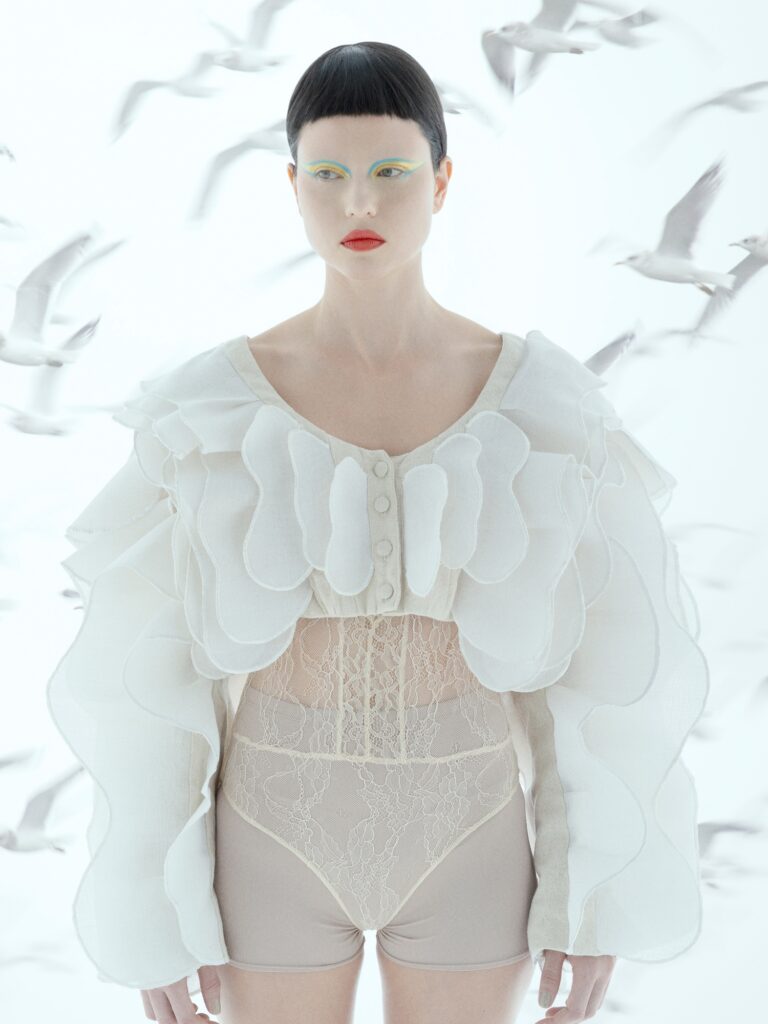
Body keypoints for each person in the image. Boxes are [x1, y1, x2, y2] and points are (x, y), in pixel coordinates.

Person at [46, 41, 710, 1024]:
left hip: (474, 835)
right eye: (329, 175)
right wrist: (154, 908)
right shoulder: (208, 409)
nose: (359, 202)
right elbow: (144, 675)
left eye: (391, 171)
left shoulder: (544, 405)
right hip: (270, 833)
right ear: (292, 186)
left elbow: (601, 674)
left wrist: (595, 893)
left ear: (442, 180)